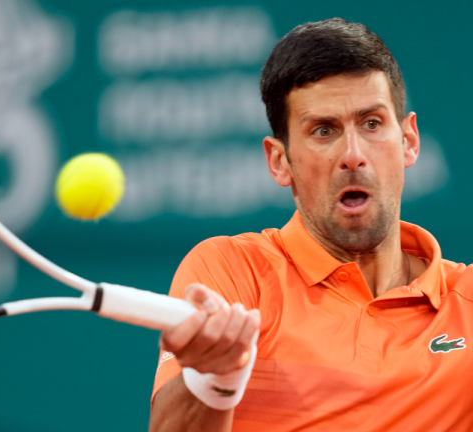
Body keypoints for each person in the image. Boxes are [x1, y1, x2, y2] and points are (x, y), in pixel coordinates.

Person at [148, 18, 473, 432]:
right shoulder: (232, 273)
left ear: (408, 140)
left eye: (372, 123)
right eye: (324, 130)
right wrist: (213, 379)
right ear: (279, 161)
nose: (353, 155)